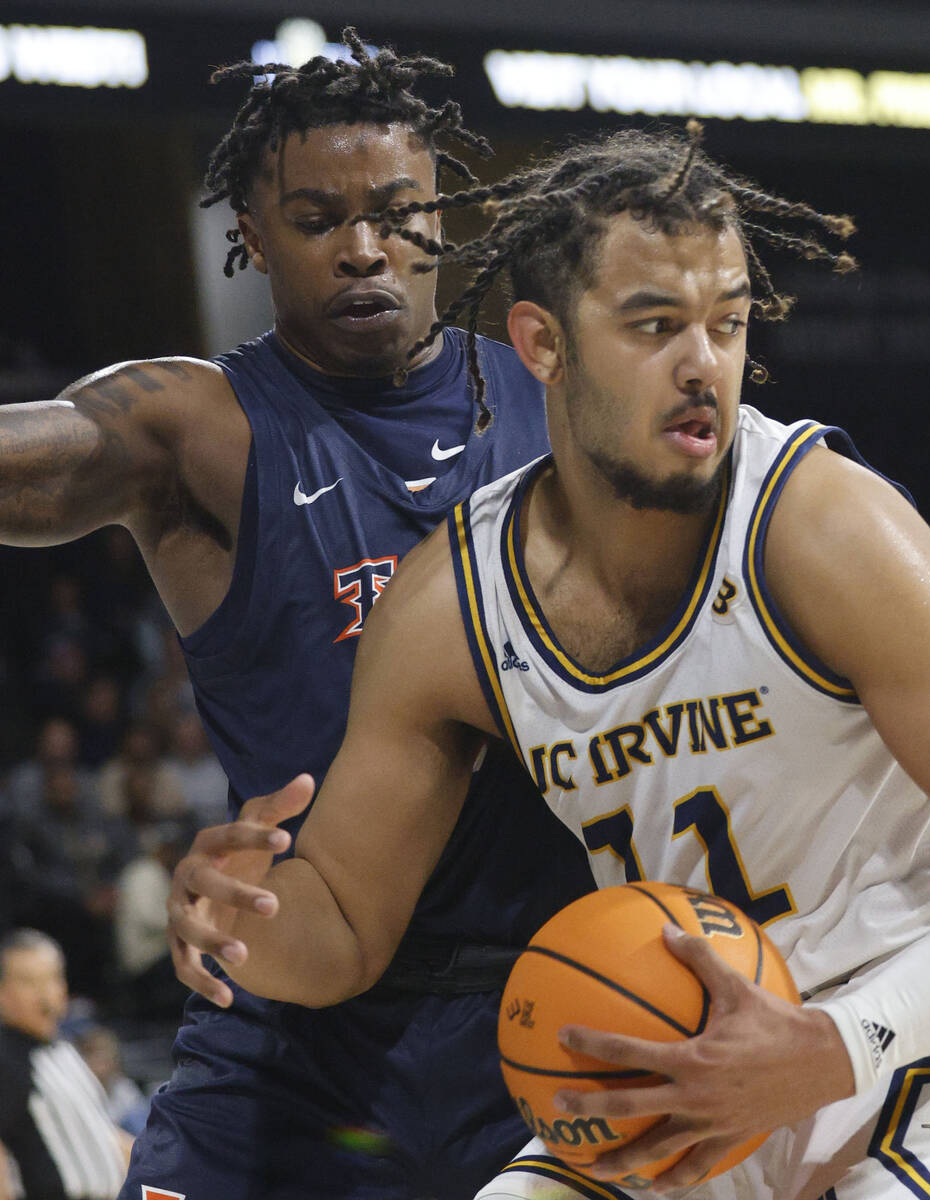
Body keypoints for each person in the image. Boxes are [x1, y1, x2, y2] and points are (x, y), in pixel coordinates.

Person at [170, 126, 930, 1200]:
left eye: (725, 323)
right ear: (541, 343)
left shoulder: (819, 523)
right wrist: (240, 922)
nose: (703, 364)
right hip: (690, 1039)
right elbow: (345, 928)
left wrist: (833, 1045)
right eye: (654, 326)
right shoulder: (449, 604)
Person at [0, 30, 594, 1200]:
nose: (364, 248)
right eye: (319, 220)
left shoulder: (565, 405)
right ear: (252, 238)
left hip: (552, 1007)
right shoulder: (200, 427)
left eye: (396, 212)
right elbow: (42, 454)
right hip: (288, 1013)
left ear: (442, 216)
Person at [0, 929, 132, 1200]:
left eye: (52, 979)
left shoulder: (63, 1050)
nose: (45, 995)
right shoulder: (7, 1058)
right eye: (29, 982)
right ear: (2, 992)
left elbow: (101, 1133)